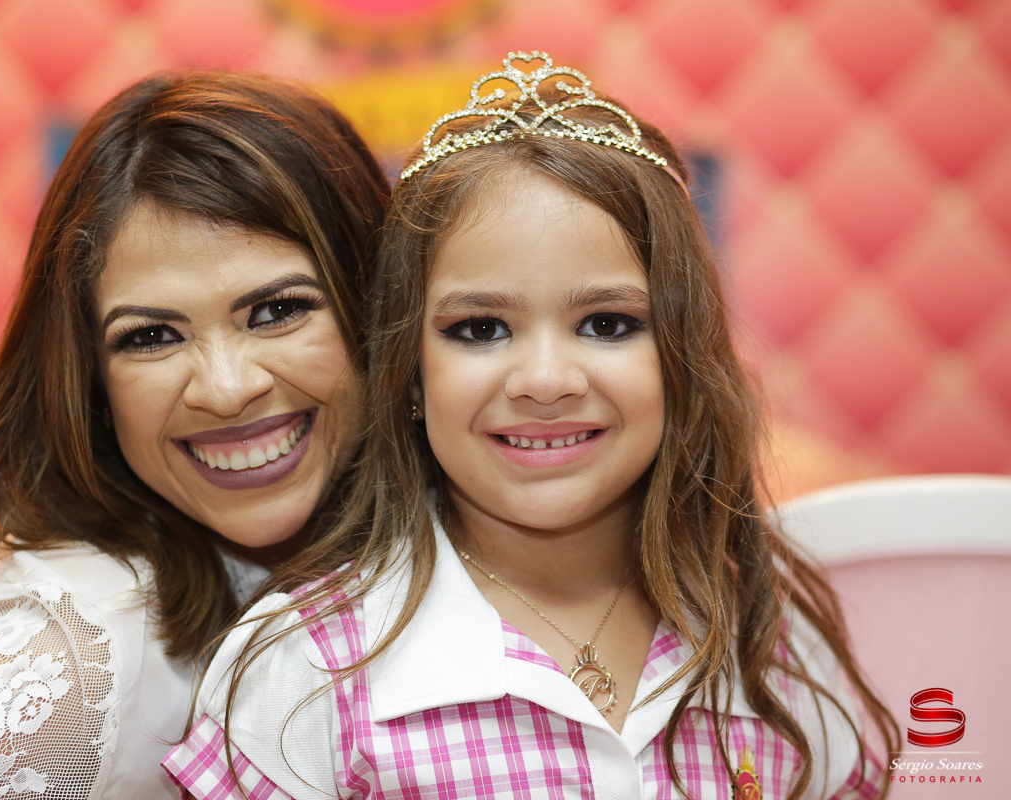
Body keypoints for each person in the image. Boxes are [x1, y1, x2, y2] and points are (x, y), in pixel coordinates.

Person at [165, 52, 899, 800]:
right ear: (408, 375)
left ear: (682, 359)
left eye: (608, 323)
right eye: (481, 329)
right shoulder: (307, 669)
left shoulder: (774, 643)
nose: (546, 381)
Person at [0, 71, 388, 798]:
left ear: (377, 306)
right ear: (91, 384)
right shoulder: (81, 644)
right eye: (150, 336)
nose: (225, 387)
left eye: (275, 311)